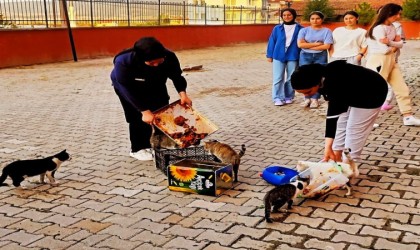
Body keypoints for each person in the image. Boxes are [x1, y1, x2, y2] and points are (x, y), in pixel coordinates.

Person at [111, 37, 193, 161]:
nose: (155, 65)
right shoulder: (124, 62)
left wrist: (183, 94)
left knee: (162, 110)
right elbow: (127, 88)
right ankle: (138, 148)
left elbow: (177, 76)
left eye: (159, 62)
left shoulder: (169, 57)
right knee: (137, 116)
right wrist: (144, 111)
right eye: (151, 63)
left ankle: (162, 143)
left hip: (155, 83)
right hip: (129, 87)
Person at [291, 61, 387, 163]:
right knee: (341, 123)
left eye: (308, 92)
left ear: (316, 82)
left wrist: (327, 147)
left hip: (373, 92)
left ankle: (350, 162)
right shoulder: (321, 78)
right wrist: (330, 148)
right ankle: (336, 157)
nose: (307, 96)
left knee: (354, 129)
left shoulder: (335, 80)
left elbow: (332, 117)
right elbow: (335, 119)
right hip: (350, 92)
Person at [365, 3, 420, 126]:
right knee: (374, 90)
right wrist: (393, 43)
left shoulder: (393, 27)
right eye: (397, 13)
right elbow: (384, 49)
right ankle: (365, 119)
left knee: (402, 88)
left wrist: (389, 42)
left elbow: (400, 44)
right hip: (379, 60)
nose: (399, 16)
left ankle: (408, 116)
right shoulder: (378, 28)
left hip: (391, 60)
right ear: (389, 13)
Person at [266, 8, 303, 106]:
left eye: (289, 15)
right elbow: (272, 41)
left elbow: (303, 42)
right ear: (282, 16)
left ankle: (288, 96)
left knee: (291, 77)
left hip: (293, 55)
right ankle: (277, 97)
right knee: (278, 77)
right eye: (284, 15)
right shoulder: (277, 28)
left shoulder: (300, 28)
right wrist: (269, 55)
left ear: (294, 16)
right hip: (278, 55)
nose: (287, 17)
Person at [297, 11, 333, 109]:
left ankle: (315, 99)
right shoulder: (304, 30)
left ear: (322, 19)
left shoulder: (327, 31)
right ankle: (307, 98)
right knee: (305, 77)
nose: (315, 21)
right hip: (305, 55)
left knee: (318, 77)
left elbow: (327, 45)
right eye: (312, 19)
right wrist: (317, 44)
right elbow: (300, 45)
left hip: (321, 56)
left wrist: (308, 45)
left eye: (317, 18)